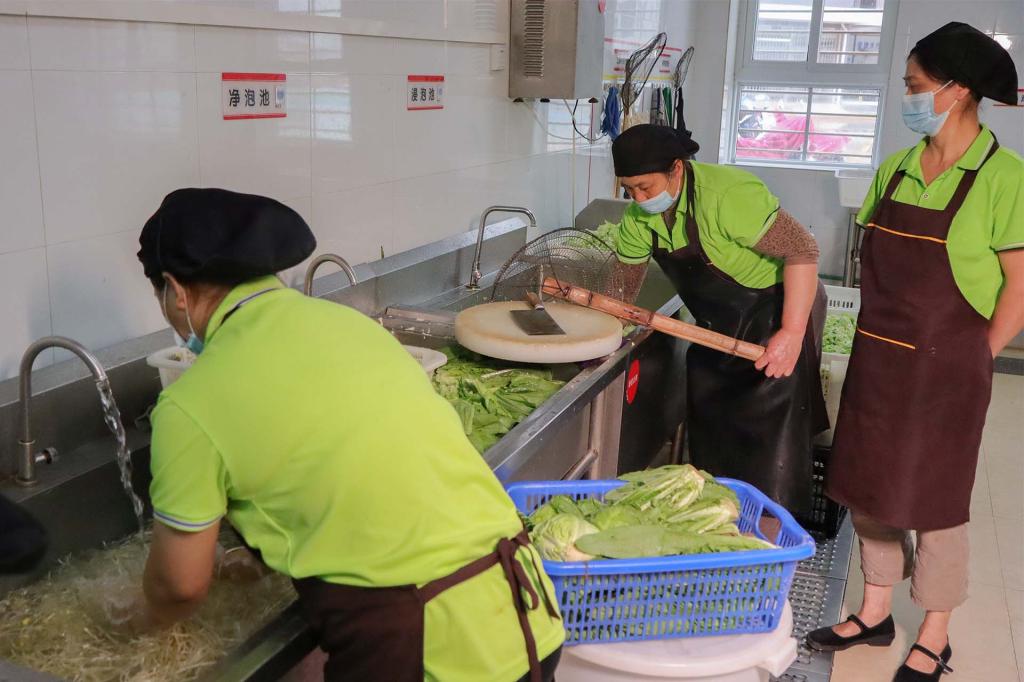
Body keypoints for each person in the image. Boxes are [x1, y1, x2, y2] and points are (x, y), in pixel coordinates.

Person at [122, 188, 564, 681]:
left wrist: (130, 631)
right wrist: (263, 560)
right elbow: (348, 461)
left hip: (430, 652)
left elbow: (179, 587)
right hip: (524, 613)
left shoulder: (191, 402)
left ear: (175, 289)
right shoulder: (351, 326)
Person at [809, 23, 1024, 682]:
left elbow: (1019, 287)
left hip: (948, 368)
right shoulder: (897, 168)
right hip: (879, 359)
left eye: (915, 85)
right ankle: (874, 611)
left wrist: (976, 355)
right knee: (866, 486)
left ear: (957, 91)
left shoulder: (1004, 178)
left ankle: (935, 632)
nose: (908, 96)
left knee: (936, 500)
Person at [611, 124, 828, 518]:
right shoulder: (638, 220)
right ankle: (720, 523)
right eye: (629, 190)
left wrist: (793, 331)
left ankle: (771, 531)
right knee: (713, 436)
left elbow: (802, 249)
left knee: (773, 442)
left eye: (645, 187)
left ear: (676, 169)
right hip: (716, 327)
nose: (638, 198)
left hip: (777, 313)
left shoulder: (727, 196)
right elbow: (621, 293)